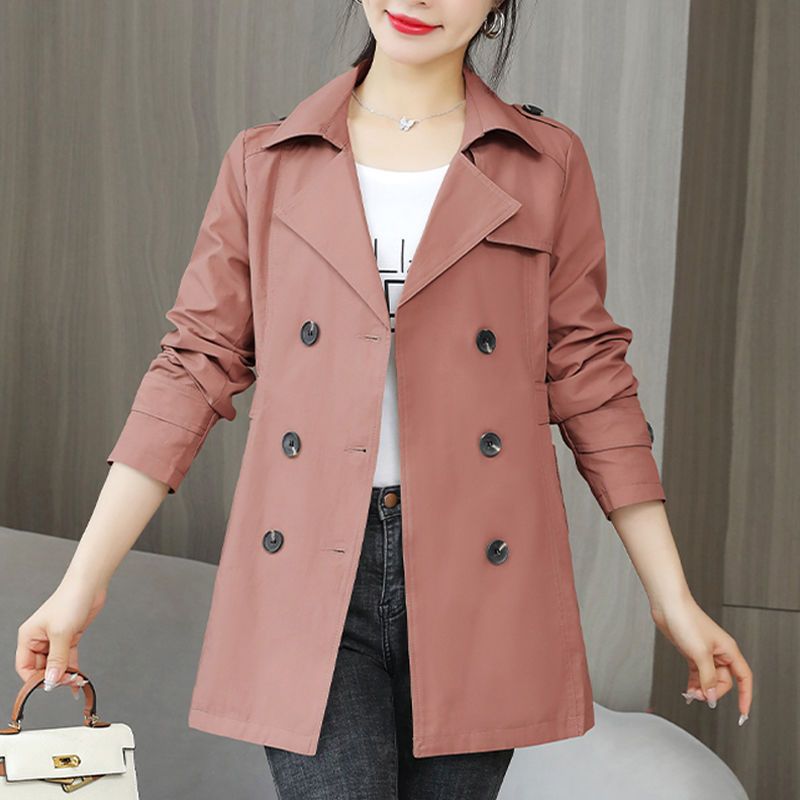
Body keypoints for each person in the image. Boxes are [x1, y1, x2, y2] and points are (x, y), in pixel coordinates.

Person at [15, 2, 754, 798]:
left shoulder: (545, 164)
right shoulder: (267, 161)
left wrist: (671, 598)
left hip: (481, 575)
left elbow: (592, 379)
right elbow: (193, 369)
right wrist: (81, 583)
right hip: (307, 565)